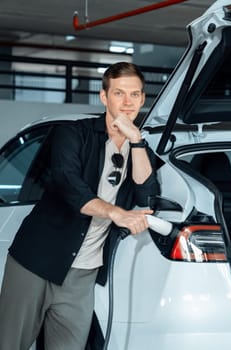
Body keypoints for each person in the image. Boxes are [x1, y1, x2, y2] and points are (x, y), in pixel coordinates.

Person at [0, 61, 160, 349]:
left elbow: (147, 197)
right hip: (36, 262)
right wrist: (116, 213)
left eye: (134, 95)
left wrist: (136, 141)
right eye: (119, 93)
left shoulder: (141, 150)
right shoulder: (73, 134)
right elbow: (69, 187)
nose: (127, 102)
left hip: (83, 275)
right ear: (104, 96)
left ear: (143, 99)